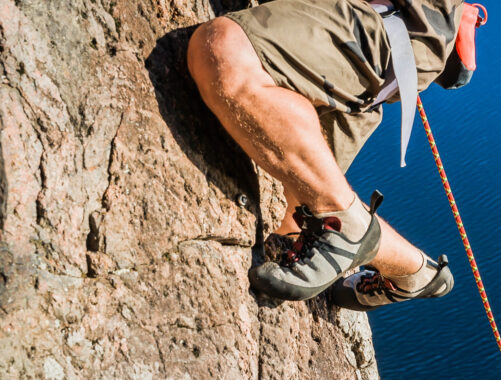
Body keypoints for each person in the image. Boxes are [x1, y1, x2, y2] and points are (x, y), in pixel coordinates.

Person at [187, 0, 482, 310]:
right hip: (394, 38)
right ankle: (413, 270)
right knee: (296, 216)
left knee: (223, 51)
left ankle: (346, 223)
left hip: (388, 27)